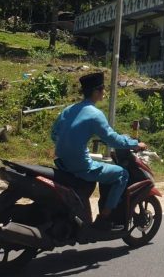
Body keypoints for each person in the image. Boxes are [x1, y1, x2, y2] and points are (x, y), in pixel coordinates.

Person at [51, 72, 146, 231]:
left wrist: (72, 145)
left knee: (101, 164)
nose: (104, 92)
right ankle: (104, 218)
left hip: (62, 162)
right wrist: (135, 144)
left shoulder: (68, 109)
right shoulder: (95, 114)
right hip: (80, 166)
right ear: (96, 92)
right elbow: (112, 139)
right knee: (122, 174)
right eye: (102, 88)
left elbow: (54, 134)